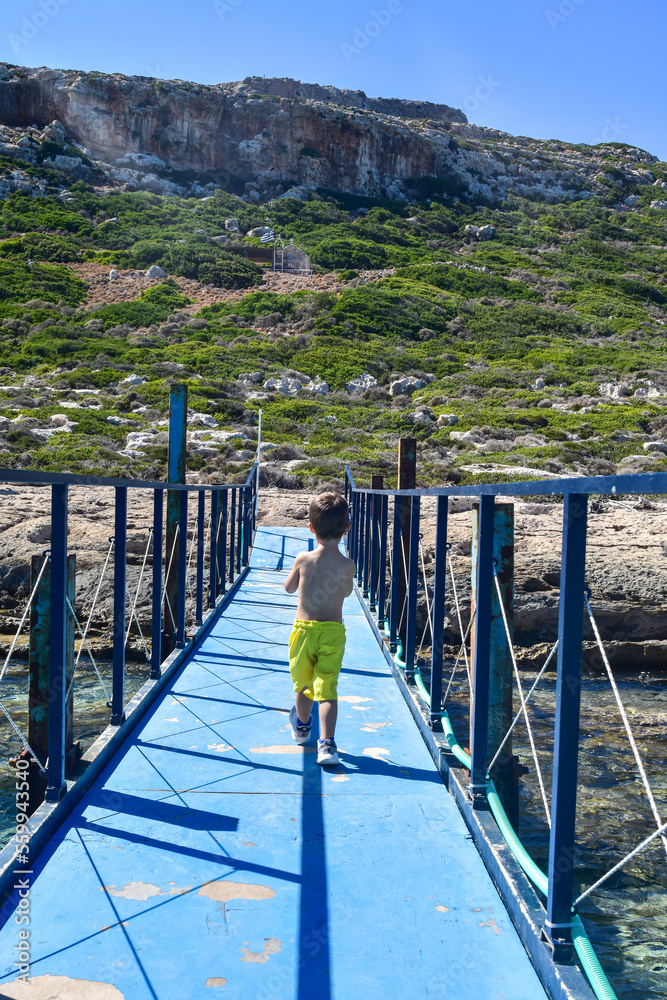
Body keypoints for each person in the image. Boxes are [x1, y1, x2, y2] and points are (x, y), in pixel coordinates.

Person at [284, 492, 355, 766]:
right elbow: (347, 593)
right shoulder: (347, 565)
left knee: (304, 685)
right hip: (333, 632)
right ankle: (327, 744)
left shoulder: (303, 558)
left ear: (311, 527)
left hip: (303, 632)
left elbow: (289, 587)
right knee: (327, 687)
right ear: (346, 529)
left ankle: (302, 727)